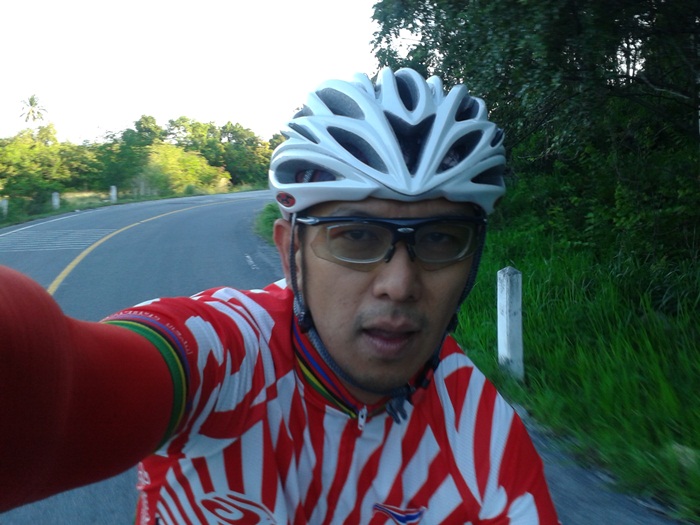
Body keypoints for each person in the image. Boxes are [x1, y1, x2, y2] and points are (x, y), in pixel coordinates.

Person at [0, 67, 560, 524]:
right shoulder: (225, 354)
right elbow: (57, 380)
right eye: (356, 236)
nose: (399, 284)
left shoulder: (480, 437)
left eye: (439, 239)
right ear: (290, 249)